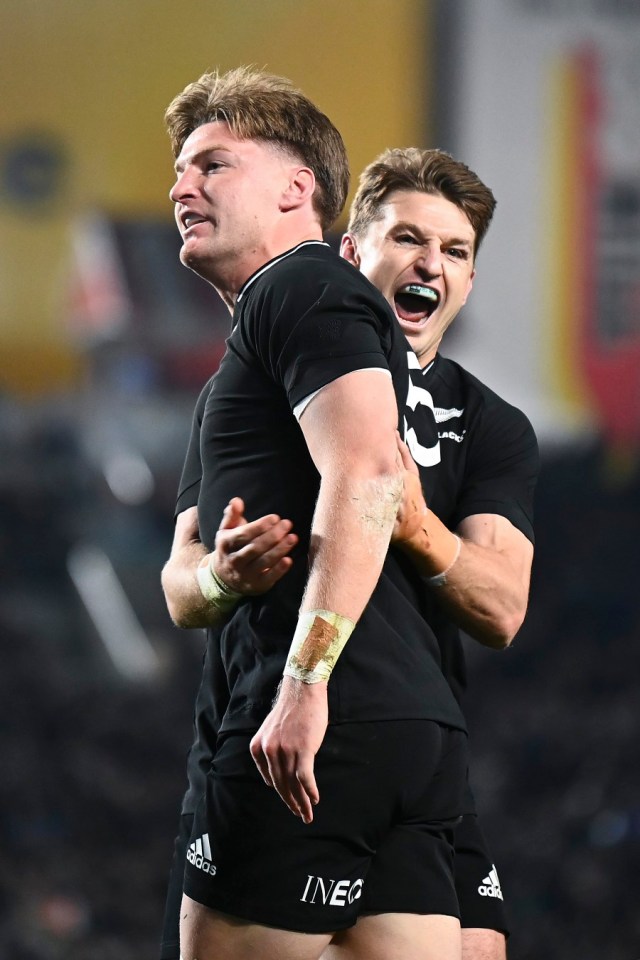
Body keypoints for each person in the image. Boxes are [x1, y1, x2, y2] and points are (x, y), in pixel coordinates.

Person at [160, 145, 539, 960]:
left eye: (455, 251)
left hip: (411, 743)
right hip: (273, 726)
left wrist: (411, 521)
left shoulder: (493, 427)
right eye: (406, 238)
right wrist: (222, 578)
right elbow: (180, 586)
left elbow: (503, 607)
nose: (429, 263)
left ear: (469, 281)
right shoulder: (262, 377)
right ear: (350, 252)